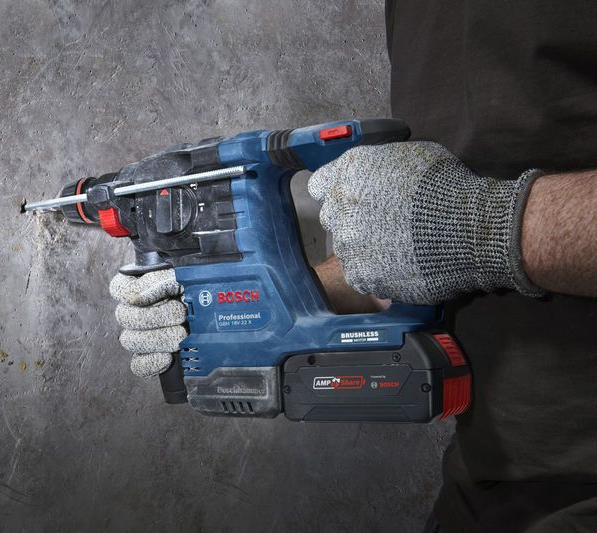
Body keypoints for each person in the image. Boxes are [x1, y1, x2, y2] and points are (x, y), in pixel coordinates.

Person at [109, 1, 597, 530]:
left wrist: (483, 224)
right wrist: (254, 303)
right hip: (490, 480)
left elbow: (456, 223)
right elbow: (427, 242)